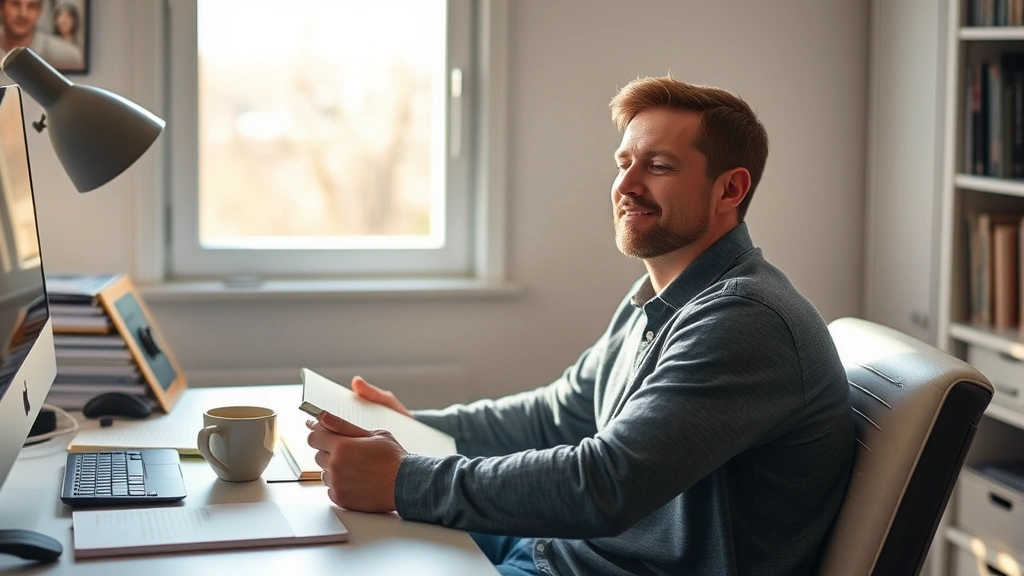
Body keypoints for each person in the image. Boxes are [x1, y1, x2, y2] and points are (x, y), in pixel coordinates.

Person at [306, 75, 855, 576]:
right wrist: (414, 430)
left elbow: (606, 483)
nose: (627, 186)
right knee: (339, 544)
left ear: (729, 190)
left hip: (588, 568)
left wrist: (403, 479)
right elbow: (556, 414)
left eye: (659, 166)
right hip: (557, 551)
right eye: (623, 164)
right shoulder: (660, 297)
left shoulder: (744, 320)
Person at [0, 0, 82, 71]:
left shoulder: (67, 55)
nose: (23, 14)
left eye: (31, 6)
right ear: (2, 7)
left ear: (39, 11)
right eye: (15, 4)